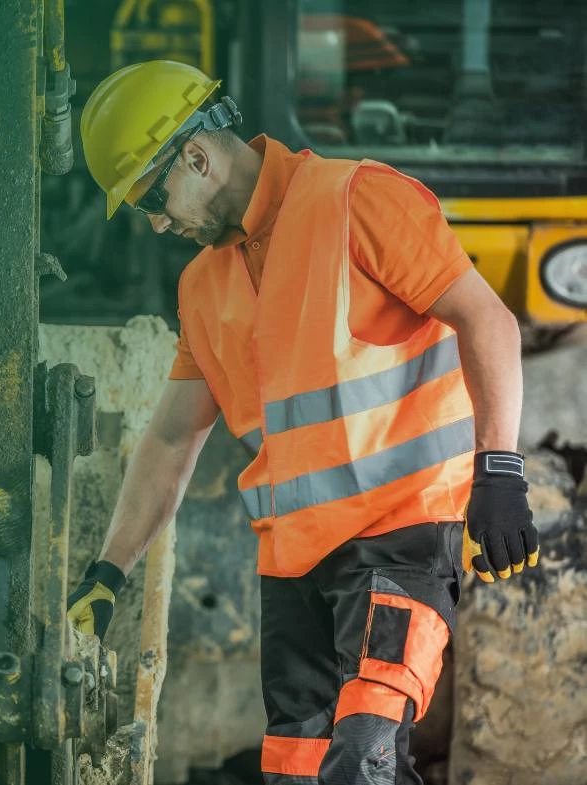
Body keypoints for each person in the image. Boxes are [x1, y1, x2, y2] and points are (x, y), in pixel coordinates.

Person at [67, 59, 539, 785]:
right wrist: (107, 572)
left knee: (363, 764)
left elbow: (489, 320)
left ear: (195, 155)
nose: (157, 221)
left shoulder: (359, 200)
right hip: (293, 568)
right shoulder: (203, 286)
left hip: (400, 540)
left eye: (152, 198)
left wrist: (499, 469)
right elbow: (171, 437)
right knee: (297, 773)